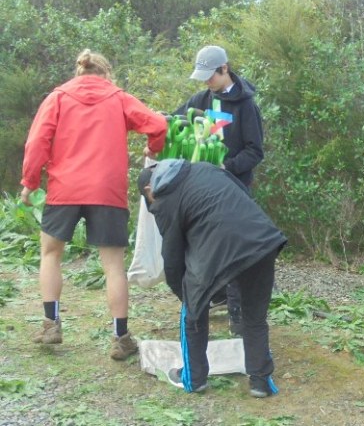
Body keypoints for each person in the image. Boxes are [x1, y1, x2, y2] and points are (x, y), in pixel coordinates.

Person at [20, 49, 167, 360]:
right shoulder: (119, 98)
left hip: (65, 188)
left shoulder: (58, 98)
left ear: (79, 72)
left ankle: (51, 325)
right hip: (107, 190)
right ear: (106, 73)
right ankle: (121, 338)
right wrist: (153, 149)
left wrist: (30, 182)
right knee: (113, 266)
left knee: (51, 253)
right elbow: (157, 125)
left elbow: (37, 142)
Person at [137, 159, 287, 397]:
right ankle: (260, 382)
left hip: (222, 247)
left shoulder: (164, 199)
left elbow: (172, 258)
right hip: (262, 240)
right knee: (255, 316)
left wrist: (187, 297)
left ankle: (193, 379)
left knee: (192, 312)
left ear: (149, 189)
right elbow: (243, 195)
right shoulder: (205, 168)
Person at [172, 45, 264, 336]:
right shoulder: (201, 100)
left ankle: (238, 314)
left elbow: (255, 151)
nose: (206, 82)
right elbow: (175, 122)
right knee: (201, 248)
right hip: (202, 192)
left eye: (210, 76)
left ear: (225, 69)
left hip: (235, 190)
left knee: (234, 252)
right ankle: (209, 300)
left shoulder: (246, 105)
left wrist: (228, 166)